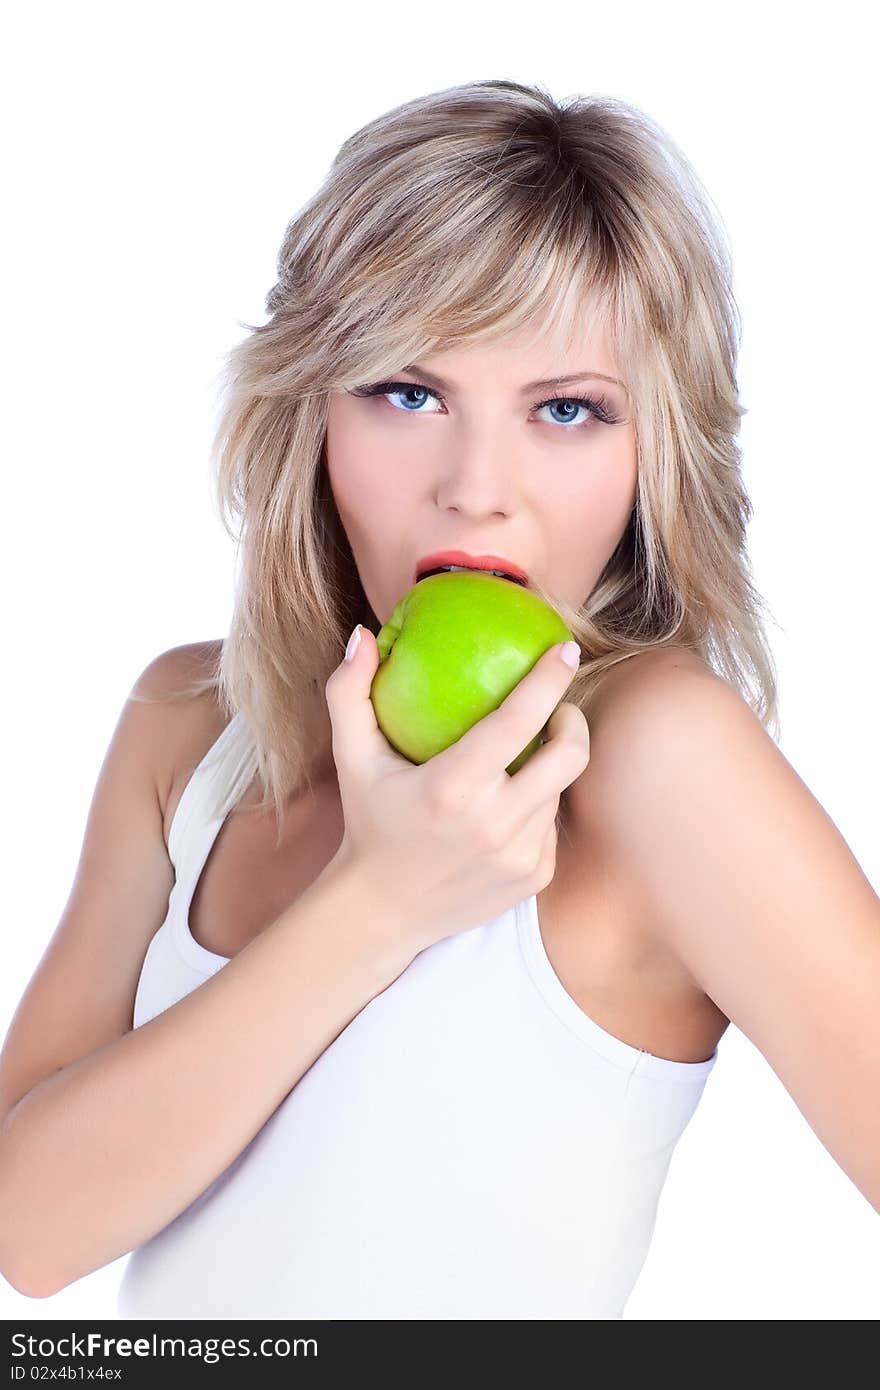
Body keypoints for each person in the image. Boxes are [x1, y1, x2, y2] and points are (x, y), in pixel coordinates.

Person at [1, 79, 877, 1320]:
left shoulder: (660, 762)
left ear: (652, 456)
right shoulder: (189, 726)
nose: (478, 490)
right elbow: (28, 1231)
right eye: (409, 393)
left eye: (567, 410)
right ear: (309, 411)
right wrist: (378, 901)